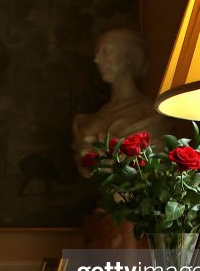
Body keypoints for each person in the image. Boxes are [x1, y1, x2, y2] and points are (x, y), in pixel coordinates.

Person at [72, 28, 182, 170]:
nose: (97, 59)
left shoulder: (151, 114)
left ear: (130, 57)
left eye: (106, 51)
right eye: (97, 52)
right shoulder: (92, 117)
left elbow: (156, 165)